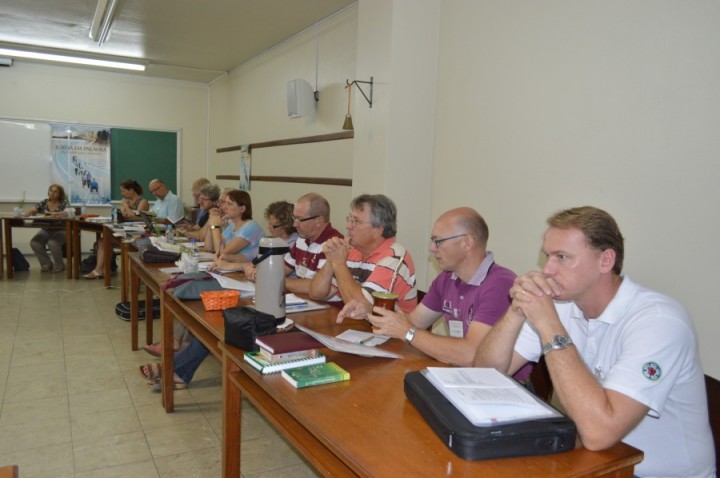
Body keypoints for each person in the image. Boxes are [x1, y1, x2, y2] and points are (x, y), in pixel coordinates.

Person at [474, 206, 715, 478]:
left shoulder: (660, 322)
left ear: (605, 261)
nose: (547, 270)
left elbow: (599, 433)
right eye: (547, 256)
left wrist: (548, 324)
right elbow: (485, 374)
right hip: (597, 464)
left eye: (562, 257)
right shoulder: (564, 304)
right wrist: (515, 313)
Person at [337, 208, 530, 380]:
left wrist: (408, 332)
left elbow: (471, 354)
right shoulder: (447, 279)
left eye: (438, 241)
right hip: (462, 376)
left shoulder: (499, 284)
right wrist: (371, 311)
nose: (431, 248)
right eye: (432, 241)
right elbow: (413, 322)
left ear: (467, 243)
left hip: (504, 388)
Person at [309, 194, 417, 312]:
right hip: (359, 326)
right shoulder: (353, 251)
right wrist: (331, 259)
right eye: (349, 219)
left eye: (356, 221)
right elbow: (316, 293)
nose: (348, 226)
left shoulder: (394, 258)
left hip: (386, 329)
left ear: (378, 230)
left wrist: (339, 263)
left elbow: (359, 308)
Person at [84, 179, 149, 279]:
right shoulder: (126, 202)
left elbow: (134, 216)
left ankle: (106, 269)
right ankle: (99, 269)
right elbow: (124, 216)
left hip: (137, 234)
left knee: (107, 240)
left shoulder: (143, 201)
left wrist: (125, 206)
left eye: (124, 191)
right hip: (125, 231)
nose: (122, 194)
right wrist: (124, 209)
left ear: (131, 190)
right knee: (102, 241)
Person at [212, 200, 298, 273]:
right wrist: (228, 258)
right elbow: (253, 257)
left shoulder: (293, 244)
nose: (269, 228)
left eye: (274, 226)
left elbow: (267, 267)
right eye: (269, 224)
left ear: (286, 226)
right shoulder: (274, 240)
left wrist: (230, 266)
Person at [203, 189, 264, 261]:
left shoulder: (251, 227)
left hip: (250, 270)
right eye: (226, 203)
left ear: (242, 209)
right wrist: (212, 223)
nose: (225, 207)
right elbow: (208, 248)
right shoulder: (232, 227)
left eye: (230, 204)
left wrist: (215, 226)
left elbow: (221, 253)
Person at [28, 184, 72, 272]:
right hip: (47, 229)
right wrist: (29, 211)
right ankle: (46, 264)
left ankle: (59, 266)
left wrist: (58, 213)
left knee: (53, 243)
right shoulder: (44, 202)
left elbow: (70, 211)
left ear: (60, 194)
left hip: (62, 229)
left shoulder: (64, 202)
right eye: (51, 190)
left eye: (55, 191)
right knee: (34, 242)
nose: (52, 193)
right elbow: (34, 209)